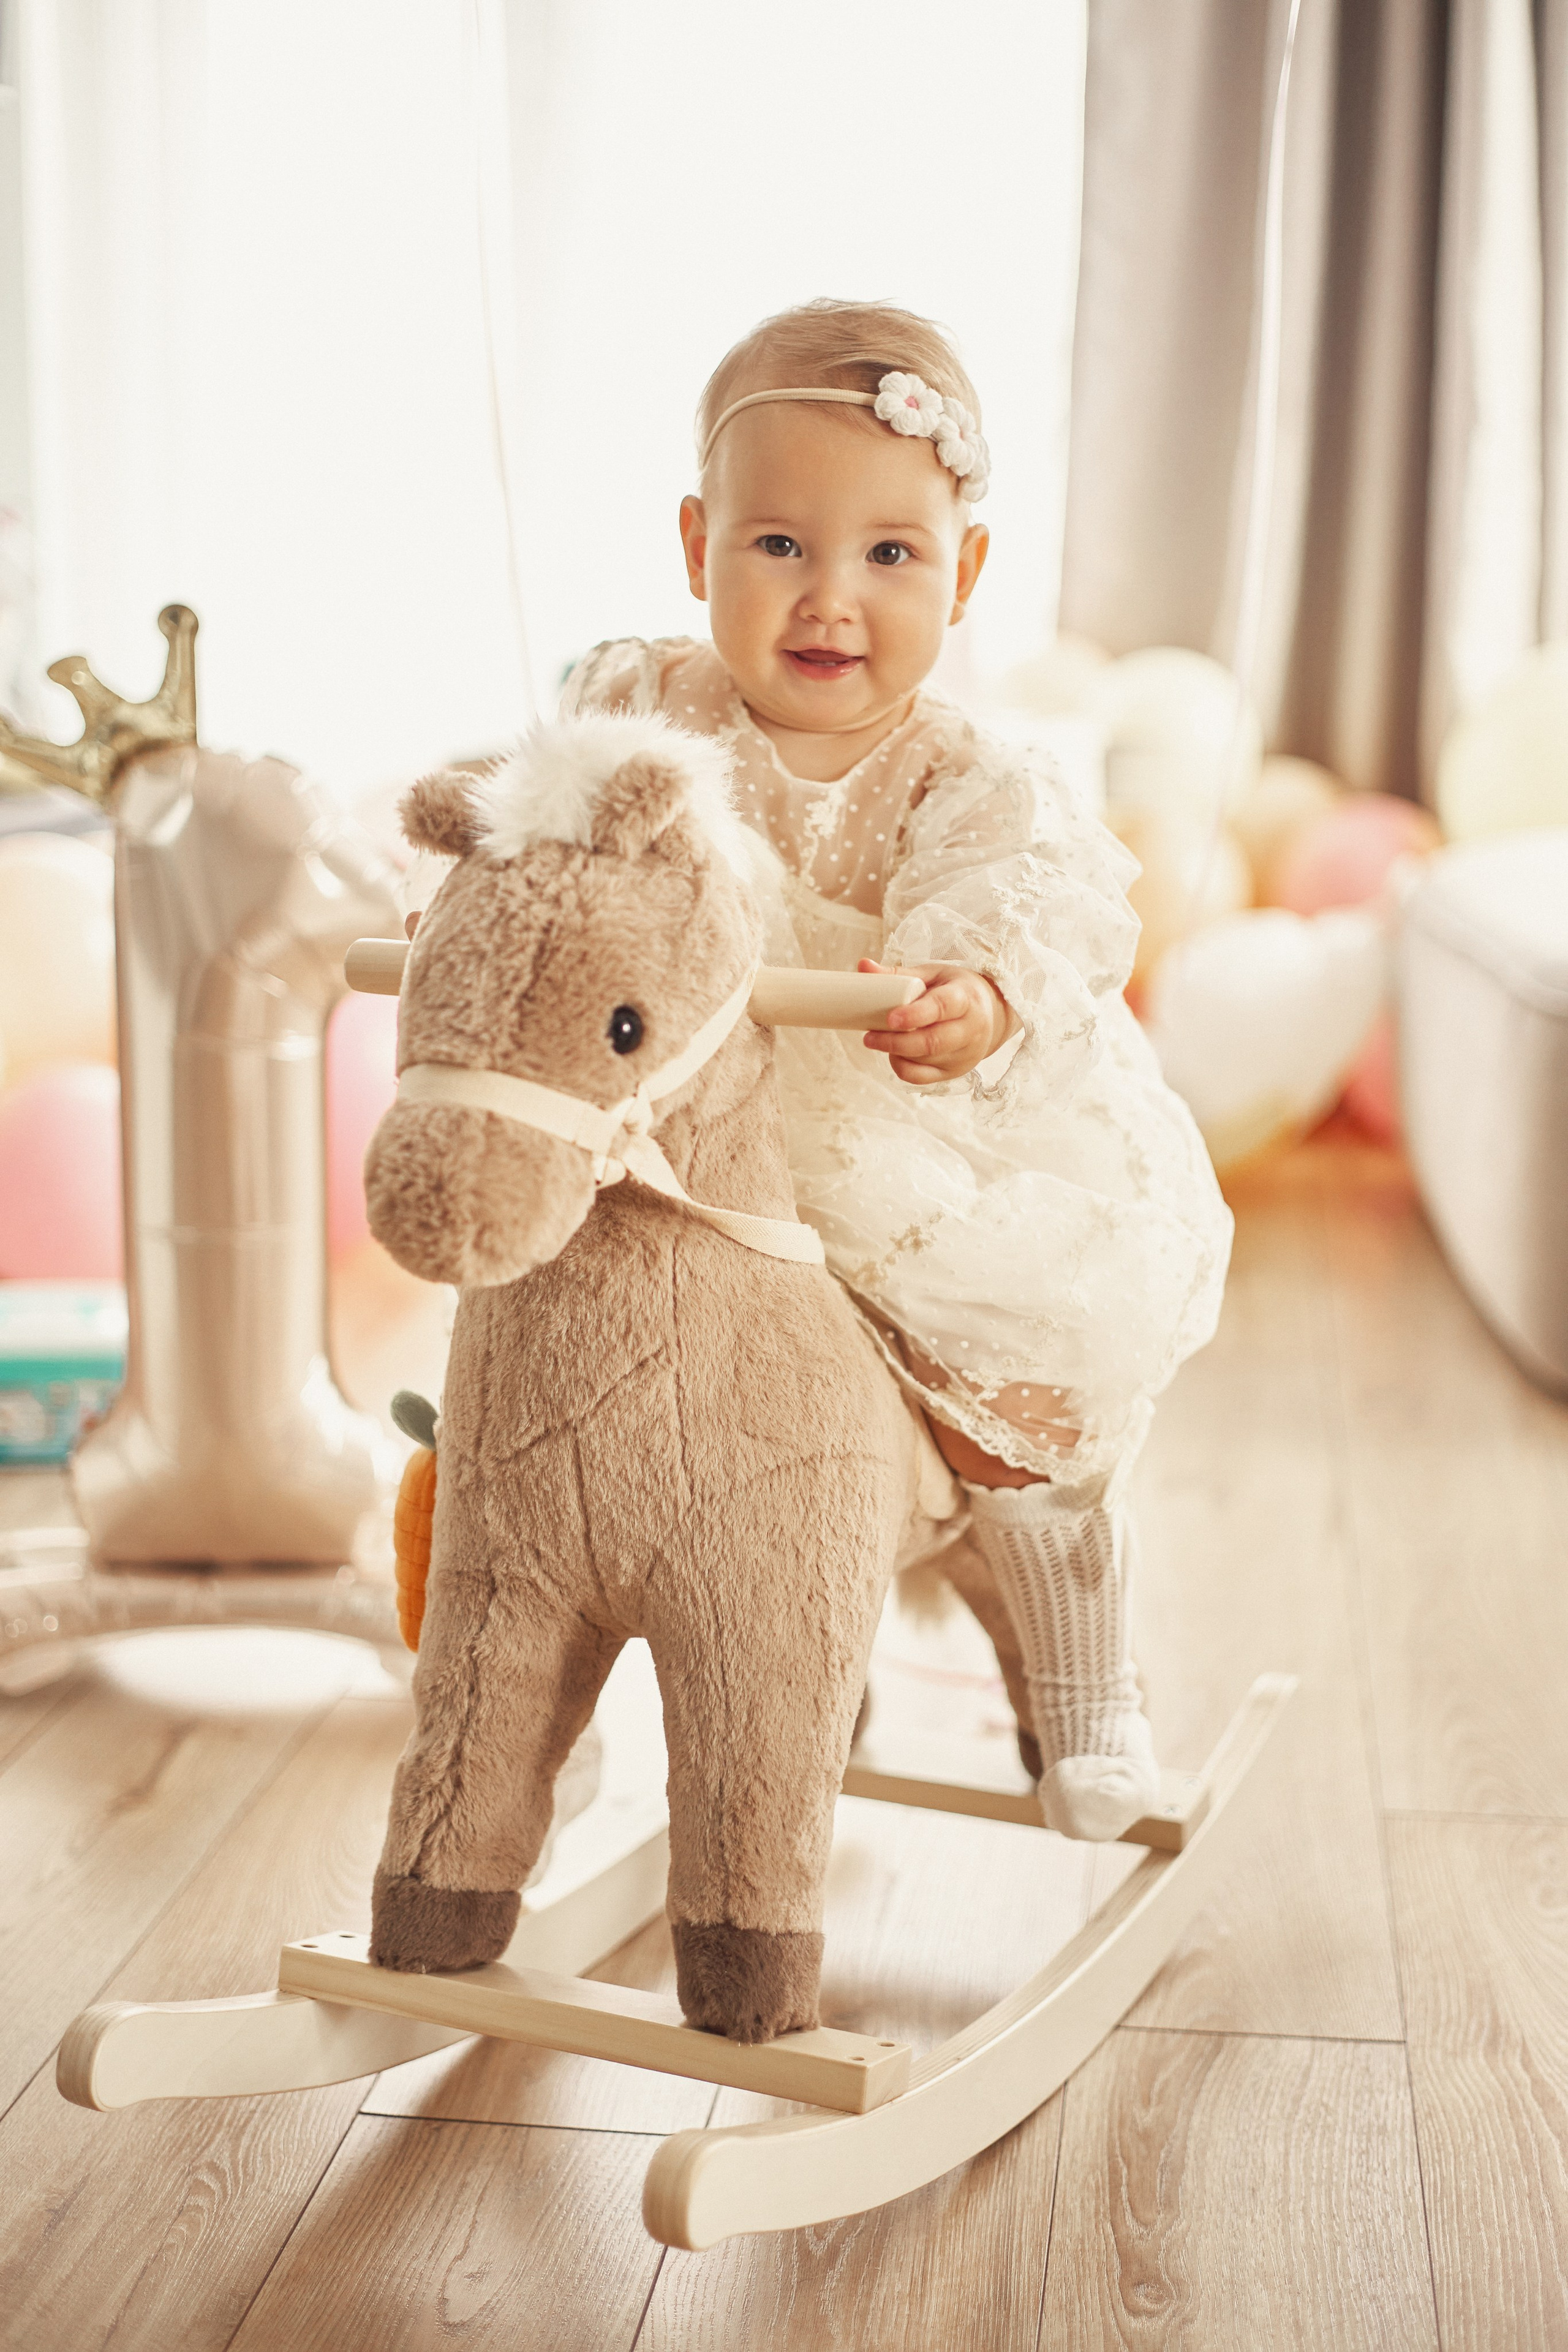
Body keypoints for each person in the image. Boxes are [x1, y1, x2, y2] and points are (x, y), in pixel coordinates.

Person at [562, 298, 1232, 1841]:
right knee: (660, 1401)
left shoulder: (966, 778)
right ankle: (764, 1677)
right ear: (694, 546)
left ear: (964, 573)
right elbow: (556, 838)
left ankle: (1078, 1690)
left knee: (1013, 1395)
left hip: (899, 1135)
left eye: (888, 556)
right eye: (777, 546)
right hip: (693, 1132)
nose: (829, 601)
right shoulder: (646, 711)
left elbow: (1027, 917)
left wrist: (970, 998)